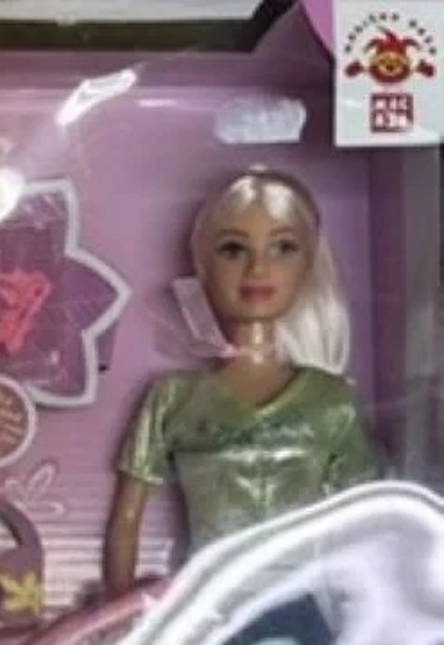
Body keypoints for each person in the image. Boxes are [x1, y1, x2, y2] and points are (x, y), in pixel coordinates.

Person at [106, 168, 376, 594]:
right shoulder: (173, 397)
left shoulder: (330, 400)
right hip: (207, 605)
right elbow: (125, 521)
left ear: (308, 266)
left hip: (298, 602)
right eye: (233, 249)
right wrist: (119, 614)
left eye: (282, 248)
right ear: (203, 266)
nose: (258, 267)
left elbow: (365, 520)